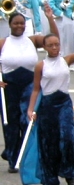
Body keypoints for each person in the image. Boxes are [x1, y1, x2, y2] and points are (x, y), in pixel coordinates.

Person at [26, 20, 74, 185]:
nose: (55, 48)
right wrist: (30, 110)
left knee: (68, 139)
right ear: (45, 47)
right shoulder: (40, 66)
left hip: (64, 103)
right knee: (49, 142)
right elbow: (36, 90)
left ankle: (69, 174)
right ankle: (51, 178)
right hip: (47, 106)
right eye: (50, 45)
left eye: (57, 44)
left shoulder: (67, 60)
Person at [0, 9, 59, 172]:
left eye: (21, 23)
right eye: (15, 23)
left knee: (28, 120)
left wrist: (50, 19)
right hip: (9, 86)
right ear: (10, 25)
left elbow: (54, 39)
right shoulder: (3, 43)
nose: (19, 26)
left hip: (29, 86)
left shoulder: (32, 40)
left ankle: (25, 157)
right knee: (11, 124)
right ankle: (13, 157)